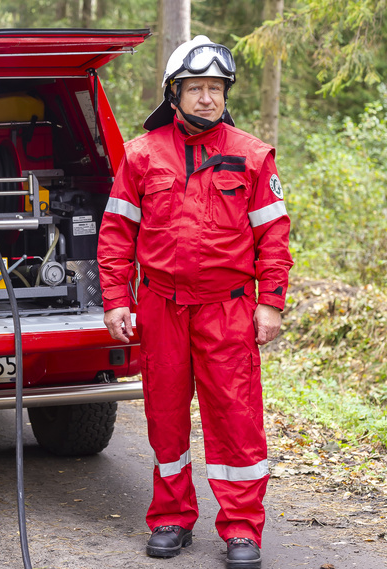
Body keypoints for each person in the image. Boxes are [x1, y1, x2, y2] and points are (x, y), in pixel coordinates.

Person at [97, 36, 292, 569]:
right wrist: (116, 299)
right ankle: (171, 517)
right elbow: (116, 232)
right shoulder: (140, 156)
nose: (207, 98)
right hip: (160, 307)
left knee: (235, 417)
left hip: (226, 309)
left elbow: (274, 239)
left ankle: (242, 530)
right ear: (174, 93)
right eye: (196, 88)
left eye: (216, 88)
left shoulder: (253, 156)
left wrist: (270, 303)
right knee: (164, 415)